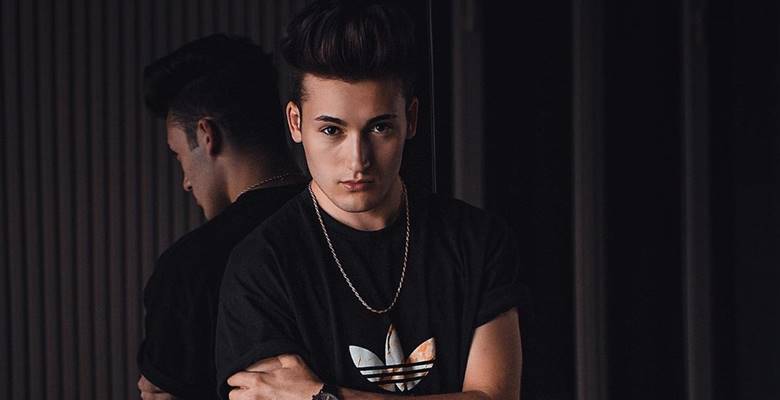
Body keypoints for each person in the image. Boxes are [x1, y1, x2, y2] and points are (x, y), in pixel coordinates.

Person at [215, 1, 528, 399]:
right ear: (296, 123)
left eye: (379, 128)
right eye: (332, 130)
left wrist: (325, 395)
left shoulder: (476, 241)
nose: (357, 160)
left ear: (411, 119)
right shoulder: (261, 266)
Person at [136, 34, 308, 399]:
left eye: (178, 155)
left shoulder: (190, 268)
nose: (185, 182)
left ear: (207, 134)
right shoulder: (349, 229)